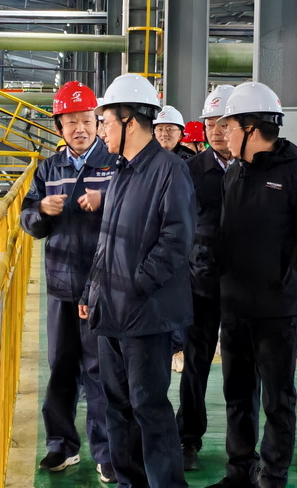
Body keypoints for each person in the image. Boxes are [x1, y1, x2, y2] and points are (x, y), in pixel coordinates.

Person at [209, 82, 297, 488]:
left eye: (230, 126)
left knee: (277, 398)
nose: (224, 133)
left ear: (252, 128)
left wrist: (294, 278)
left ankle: (273, 475)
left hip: (277, 310)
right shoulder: (234, 174)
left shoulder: (296, 175)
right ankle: (239, 471)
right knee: (237, 394)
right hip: (235, 306)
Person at [80, 73, 196, 488]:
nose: (101, 131)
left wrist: (135, 285)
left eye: (106, 122)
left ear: (130, 121)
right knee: (117, 407)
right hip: (111, 312)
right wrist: (92, 289)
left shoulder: (170, 171)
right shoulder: (121, 171)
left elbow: (177, 240)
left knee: (149, 408)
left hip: (147, 316)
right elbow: (107, 240)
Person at [20, 81, 117, 483]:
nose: (80, 128)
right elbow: (29, 222)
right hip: (61, 284)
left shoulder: (113, 163)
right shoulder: (49, 169)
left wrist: (105, 201)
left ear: (98, 122)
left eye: (87, 120)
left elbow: (133, 213)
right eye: (71, 121)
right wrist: (41, 210)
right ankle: (61, 444)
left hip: (103, 285)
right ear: (59, 126)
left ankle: (106, 451)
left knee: (100, 370)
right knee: (61, 366)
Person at [176, 85, 236, 471]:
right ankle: (187, 439)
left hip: (244, 289)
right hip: (199, 285)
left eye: (223, 124)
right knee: (195, 365)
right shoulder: (191, 171)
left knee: (242, 368)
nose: (215, 131)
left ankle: (242, 450)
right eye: (210, 123)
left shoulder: (256, 168)